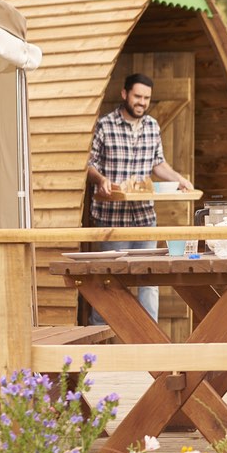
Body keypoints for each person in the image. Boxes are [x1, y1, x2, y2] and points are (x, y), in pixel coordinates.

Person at [86, 73, 193, 322]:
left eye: (146, 98)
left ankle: (149, 343)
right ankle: (100, 342)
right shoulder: (105, 125)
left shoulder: (153, 126)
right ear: (125, 94)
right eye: (137, 96)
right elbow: (89, 165)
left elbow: (158, 164)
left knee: (149, 279)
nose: (142, 102)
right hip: (112, 220)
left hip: (145, 218)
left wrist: (180, 180)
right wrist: (101, 180)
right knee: (109, 282)